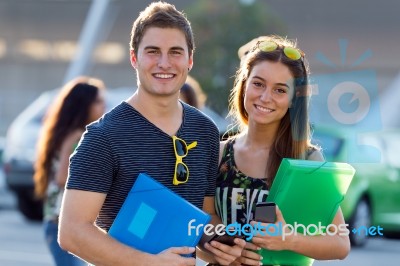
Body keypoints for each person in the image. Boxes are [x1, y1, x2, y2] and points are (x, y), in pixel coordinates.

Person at [58, 2, 244, 266]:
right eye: (153, 51)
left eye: (175, 52)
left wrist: (223, 243)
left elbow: (203, 216)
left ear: (190, 60)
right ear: (135, 58)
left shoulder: (205, 131)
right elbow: (72, 233)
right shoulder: (103, 136)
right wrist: (149, 262)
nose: (164, 63)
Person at [212, 35, 351, 265]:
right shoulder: (218, 153)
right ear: (244, 85)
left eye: (279, 90)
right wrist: (225, 254)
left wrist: (288, 240)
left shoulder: (308, 160)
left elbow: (340, 244)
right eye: (258, 84)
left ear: (293, 99)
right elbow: (200, 235)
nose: (265, 97)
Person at [33, 76, 106, 266]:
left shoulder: (66, 133)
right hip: (61, 224)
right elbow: (62, 177)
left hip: (58, 223)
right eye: (98, 101)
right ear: (84, 106)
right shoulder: (77, 136)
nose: (103, 106)